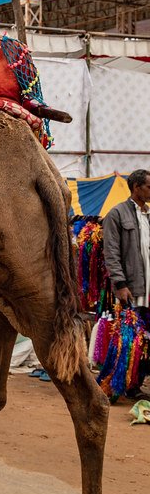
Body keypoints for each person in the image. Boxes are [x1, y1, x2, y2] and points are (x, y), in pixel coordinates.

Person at [103, 168, 150, 395]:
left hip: (149, 289)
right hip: (132, 288)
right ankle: (120, 385)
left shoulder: (149, 215)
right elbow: (111, 253)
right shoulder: (117, 214)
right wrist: (120, 284)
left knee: (146, 341)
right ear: (136, 187)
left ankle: (136, 384)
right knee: (129, 339)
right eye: (149, 186)